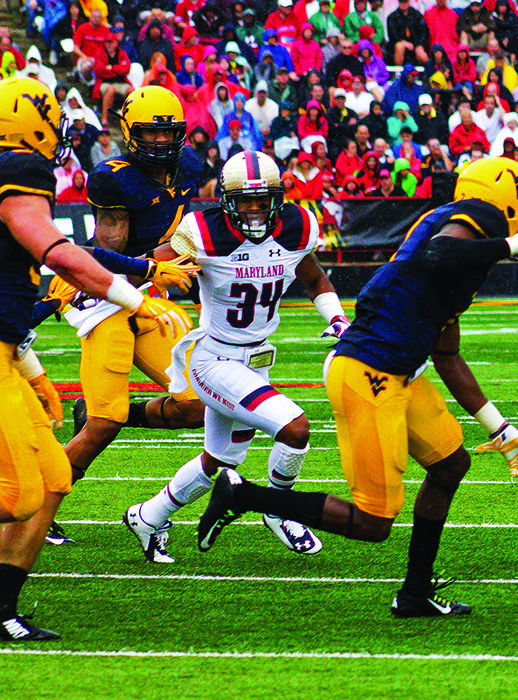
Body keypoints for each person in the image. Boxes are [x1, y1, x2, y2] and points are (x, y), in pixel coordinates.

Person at [195, 158, 518, 616]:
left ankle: (415, 594)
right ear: (512, 203)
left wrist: (501, 429)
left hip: (398, 371)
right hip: (369, 372)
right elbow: (439, 255)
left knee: (451, 464)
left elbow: (447, 354)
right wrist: (511, 242)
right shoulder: (479, 222)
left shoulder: (461, 241)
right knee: (373, 522)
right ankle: (243, 494)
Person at [0, 77, 190, 642]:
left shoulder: (184, 170)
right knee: (18, 492)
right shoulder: (25, 172)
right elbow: (57, 249)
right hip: (104, 301)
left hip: (12, 348)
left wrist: (31, 367)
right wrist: (136, 286)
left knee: (53, 476)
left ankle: (3, 610)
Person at [122, 151, 349, 563]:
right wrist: (141, 287)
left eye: (264, 199)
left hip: (257, 359)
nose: (256, 209)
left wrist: (337, 320)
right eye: (246, 199)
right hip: (213, 360)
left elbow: (314, 277)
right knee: (295, 429)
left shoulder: (297, 226)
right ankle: (279, 508)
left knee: (221, 459)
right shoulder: (203, 233)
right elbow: (149, 267)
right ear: (227, 199)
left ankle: (147, 516)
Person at [55, 86, 208, 543]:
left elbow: (177, 237)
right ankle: (33, 507)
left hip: (146, 293)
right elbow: (104, 258)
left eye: (168, 132)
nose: (161, 142)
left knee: (196, 404)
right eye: (150, 132)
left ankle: (102, 414)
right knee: (105, 423)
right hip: (101, 296)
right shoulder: (113, 177)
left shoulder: (191, 167)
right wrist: (157, 262)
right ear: (128, 131)